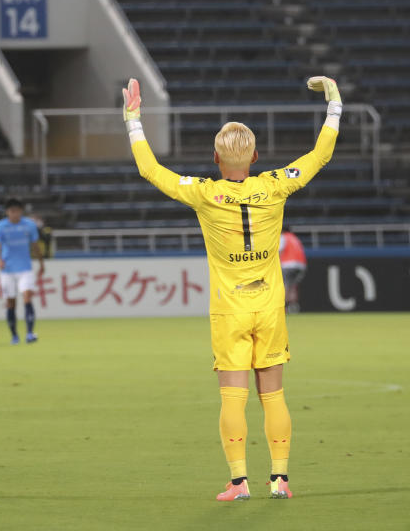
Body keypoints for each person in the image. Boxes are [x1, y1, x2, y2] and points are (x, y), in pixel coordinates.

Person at [122, 75, 343, 501]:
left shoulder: (204, 193)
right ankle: (280, 479)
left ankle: (239, 481)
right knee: (273, 394)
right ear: (256, 156)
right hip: (270, 305)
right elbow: (321, 154)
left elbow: (150, 169)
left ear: (216, 158)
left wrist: (133, 120)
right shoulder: (275, 184)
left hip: (230, 309)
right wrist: (334, 104)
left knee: (233, 396)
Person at [0, 198, 45, 344]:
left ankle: (29, 333)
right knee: (11, 303)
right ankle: (14, 335)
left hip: (25, 268)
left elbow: (35, 245)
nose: (15, 214)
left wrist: (41, 262)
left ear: (21, 211)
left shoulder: (29, 225)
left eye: (17, 211)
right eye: (11, 211)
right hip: (7, 270)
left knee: (27, 297)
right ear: (7, 212)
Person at [279, 227, 307, 313]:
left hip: (288, 265)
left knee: (285, 286)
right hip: (301, 265)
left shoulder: (283, 237)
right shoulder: (295, 238)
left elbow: (280, 250)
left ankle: (284, 307)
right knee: (293, 286)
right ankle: (293, 307)